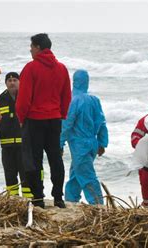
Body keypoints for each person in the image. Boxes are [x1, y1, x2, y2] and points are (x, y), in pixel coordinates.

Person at [17, 33, 72, 208]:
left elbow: (24, 98)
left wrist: (21, 117)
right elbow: (66, 96)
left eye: (32, 46)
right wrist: (61, 114)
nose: (30, 50)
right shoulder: (62, 68)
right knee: (55, 158)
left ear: (39, 48)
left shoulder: (31, 68)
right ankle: (58, 197)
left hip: (34, 119)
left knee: (34, 159)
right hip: (54, 119)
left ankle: (38, 198)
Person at [60, 70, 108, 205]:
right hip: (92, 142)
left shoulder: (72, 100)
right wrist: (102, 142)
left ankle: (97, 204)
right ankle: (71, 200)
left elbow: (67, 124)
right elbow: (102, 122)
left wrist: (60, 143)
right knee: (76, 174)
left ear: (74, 81)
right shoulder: (94, 100)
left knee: (87, 176)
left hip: (79, 144)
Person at [0, 72, 32, 198]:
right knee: (9, 173)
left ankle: (29, 199)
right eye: (9, 80)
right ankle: (13, 199)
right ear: (6, 83)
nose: (12, 82)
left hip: (24, 144)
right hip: (7, 146)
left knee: (26, 173)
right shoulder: (0, 99)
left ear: (20, 82)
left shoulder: (26, 97)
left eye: (15, 80)